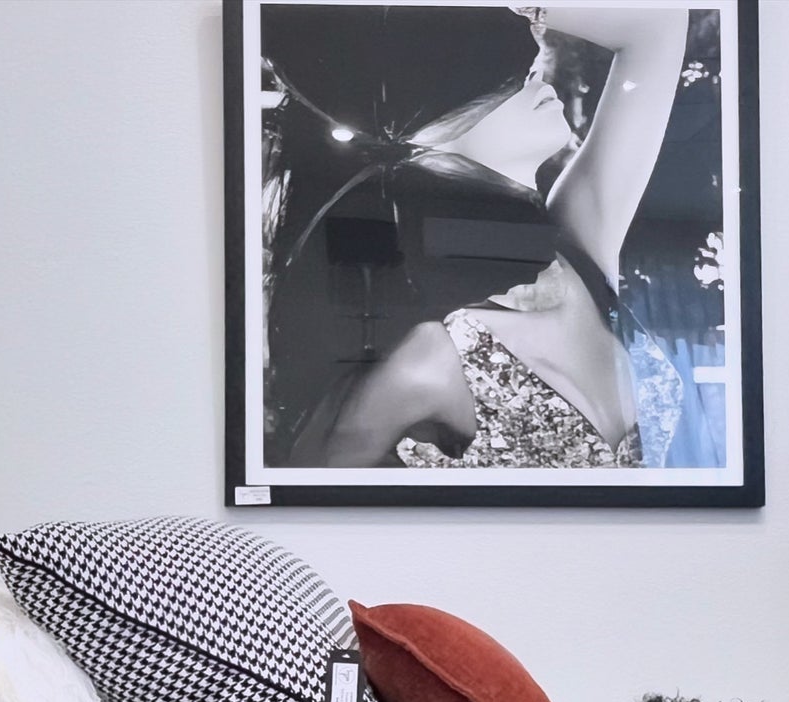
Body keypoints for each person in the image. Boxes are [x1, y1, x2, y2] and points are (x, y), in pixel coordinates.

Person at [284, 5, 688, 471]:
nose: (535, 69)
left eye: (526, 65)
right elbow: (301, 499)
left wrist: (512, 8)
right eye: (500, 76)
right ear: (426, 135)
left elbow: (660, 25)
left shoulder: (579, 248)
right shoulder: (425, 357)